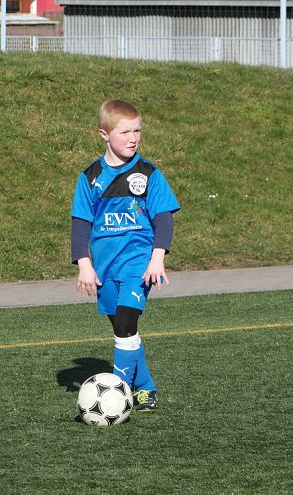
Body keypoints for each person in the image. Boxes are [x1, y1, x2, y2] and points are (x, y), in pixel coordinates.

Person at [71, 99, 180, 411]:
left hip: (138, 264)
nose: (133, 138)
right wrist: (84, 264)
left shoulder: (149, 174)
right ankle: (146, 387)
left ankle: (117, 394)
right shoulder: (90, 176)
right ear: (104, 134)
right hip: (105, 268)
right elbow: (80, 223)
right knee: (124, 330)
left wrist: (157, 258)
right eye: (125, 132)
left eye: (137, 131)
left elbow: (163, 219)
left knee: (124, 324)